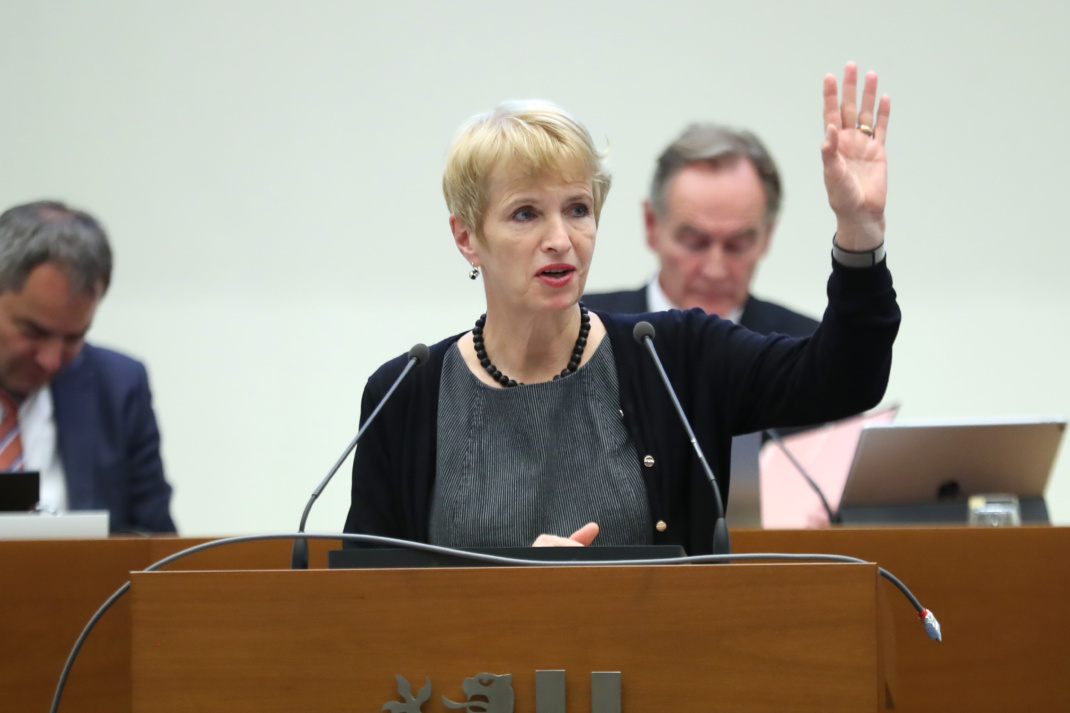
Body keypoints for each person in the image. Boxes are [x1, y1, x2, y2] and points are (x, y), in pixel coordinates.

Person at [343, 62, 897, 554]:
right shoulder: (405, 394)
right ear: (467, 237)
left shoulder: (673, 356)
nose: (560, 239)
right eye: (525, 214)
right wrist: (512, 592)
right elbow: (368, 603)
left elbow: (844, 379)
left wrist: (860, 232)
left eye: (577, 209)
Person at [0, 200, 176, 533]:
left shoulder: (119, 388)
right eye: (33, 332)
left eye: (73, 338)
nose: (51, 360)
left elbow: (156, 545)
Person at [583, 123, 818, 338]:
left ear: (767, 236)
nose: (715, 271)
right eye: (694, 243)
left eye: (737, 246)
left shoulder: (807, 350)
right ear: (651, 224)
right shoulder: (581, 331)